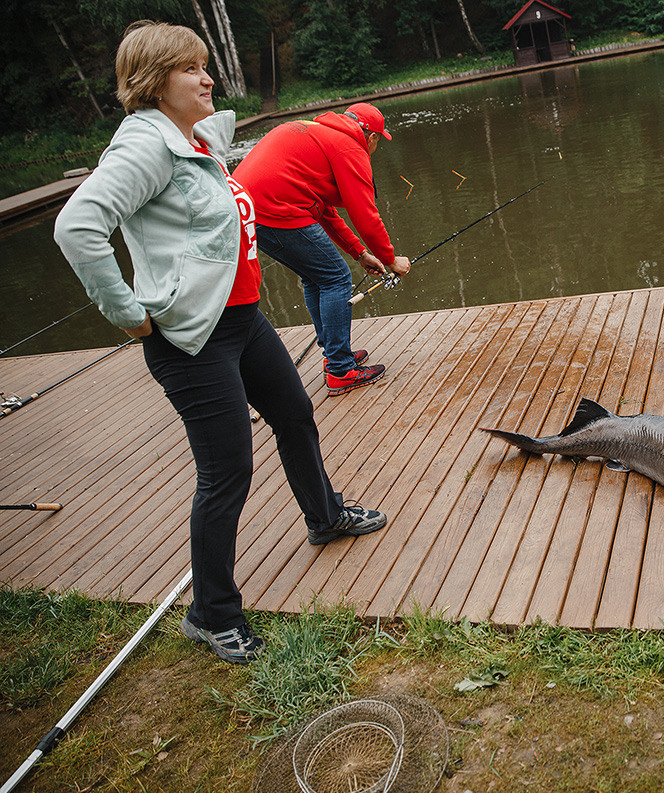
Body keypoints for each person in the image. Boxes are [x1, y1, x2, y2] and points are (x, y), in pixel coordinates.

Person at [53, 21, 389, 665]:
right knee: (227, 471)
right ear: (154, 83)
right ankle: (210, 612)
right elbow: (79, 227)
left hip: (241, 319)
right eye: (191, 69)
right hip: (189, 338)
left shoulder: (190, 138)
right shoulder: (144, 149)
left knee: (295, 415)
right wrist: (128, 315)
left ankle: (325, 517)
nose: (208, 78)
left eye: (206, 65)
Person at [232, 102, 411, 396]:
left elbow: (323, 210)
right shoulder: (350, 147)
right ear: (372, 136)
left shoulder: (322, 134)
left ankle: (335, 355)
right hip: (274, 208)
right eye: (380, 140)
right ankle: (341, 370)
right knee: (336, 278)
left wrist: (360, 253)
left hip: (248, 209)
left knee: (318, 276)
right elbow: (365, 215)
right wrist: (390, 259)